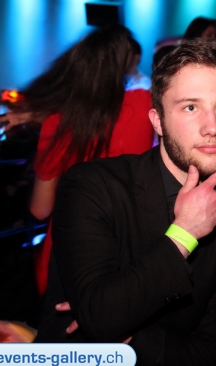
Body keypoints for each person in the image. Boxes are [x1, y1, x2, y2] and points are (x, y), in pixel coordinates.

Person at [7, 38, 216, 366]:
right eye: (191, 107)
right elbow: (101, 315)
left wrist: (131, 336)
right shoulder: (93, 186)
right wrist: (184, 233)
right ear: (157, 121)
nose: (212, 126)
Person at [13, 25, 154, 295]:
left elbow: (40, 209)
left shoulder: (58, 122)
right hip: (126, 253)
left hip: (67, 258)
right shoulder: (145, 104)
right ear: (125, 63)